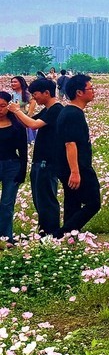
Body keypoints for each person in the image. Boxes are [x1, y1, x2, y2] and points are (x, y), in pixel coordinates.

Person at [8, 78, 64, 236]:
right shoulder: (47, 109)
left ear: (47, 93)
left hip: (48, 161)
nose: (34, 98)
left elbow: (33, 125)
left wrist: (17, 111)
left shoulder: (56, 109)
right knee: (40, 199)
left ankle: (50, 234)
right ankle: (44, 231)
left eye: (35, 94)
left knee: (46, 199)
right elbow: (29, 122)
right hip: (40, 161)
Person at [58, 74, 101, 235]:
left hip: (70, 166)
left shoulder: (70, 112)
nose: (93, 91)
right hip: (78, 167)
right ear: (79, 93)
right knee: (93, 203)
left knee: (73, 202)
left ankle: (69, 238)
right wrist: (75, 172)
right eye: (90, 88)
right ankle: (63, 233)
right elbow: (70, 143)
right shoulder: (72, 114)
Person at [0, 91, 29, 244]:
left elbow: (23, 151)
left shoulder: (17, 125)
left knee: (6, 204)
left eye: (3, 106)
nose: (0, 109)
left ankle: (6, 238)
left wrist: (22, 171)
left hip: (12, 166)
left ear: (9, 106)